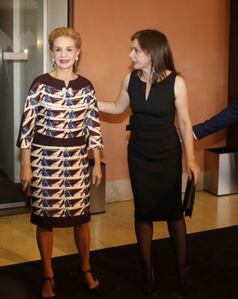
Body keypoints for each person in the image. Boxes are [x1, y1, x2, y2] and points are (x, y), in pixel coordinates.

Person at [97, 29, 200, 295]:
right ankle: (147, 270)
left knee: (174, 212)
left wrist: (192, 159)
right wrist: (90, 102)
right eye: (132, 49)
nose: (130, 54)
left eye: (136, 50)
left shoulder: (177, 82)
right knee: (142, 211)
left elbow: (186, 122)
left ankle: (182, 270)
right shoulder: (129, 79)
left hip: (167, 153)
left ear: (152, 53)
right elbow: (118, 108)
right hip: (139, 154)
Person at [17, 27, 104, 298]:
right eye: (58, 49)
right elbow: (26, 129)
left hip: (77, 161)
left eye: (69, 49)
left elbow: (94, 127)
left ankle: (86, 268)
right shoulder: (39, 84)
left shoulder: (86, 86)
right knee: (45, 221)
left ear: (77, 53)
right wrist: (26, 165)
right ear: (51, 53)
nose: (64, 55)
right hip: (44, 162)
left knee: (82, 220)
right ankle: (47, 275)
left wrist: (97, 163)